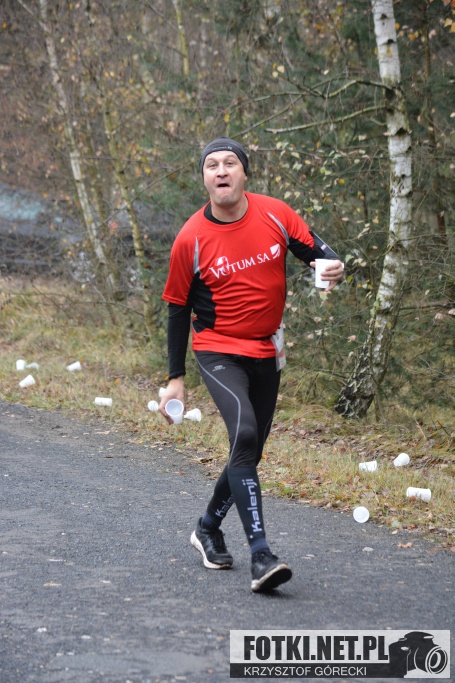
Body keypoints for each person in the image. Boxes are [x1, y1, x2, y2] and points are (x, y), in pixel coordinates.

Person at [159, 137, 344, 592]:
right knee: (243, 436)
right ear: (204, 178)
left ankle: (207, 528)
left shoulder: (276, 214)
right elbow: (177, 309)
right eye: (212, 165)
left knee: (250, 451)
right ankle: (261, 555)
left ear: (244, 173)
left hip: (267, 350)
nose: (221, 171)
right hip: (218, 349)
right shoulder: (190, 239)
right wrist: (175, 379)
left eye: (230, 163)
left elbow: (321, 255)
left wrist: (332, 269)